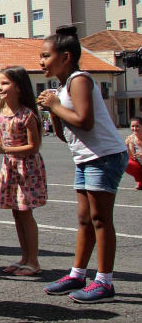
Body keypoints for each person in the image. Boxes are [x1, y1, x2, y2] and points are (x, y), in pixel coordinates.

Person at [39, 25, 129, 303]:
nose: (41, 61)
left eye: (45, 55)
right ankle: (77, 274)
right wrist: (52, 110)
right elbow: (65, 135)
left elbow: (85, 122)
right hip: (87, 158)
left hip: (104, 156)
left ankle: (104, 282)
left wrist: (55, 106)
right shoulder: (64, 87)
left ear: (65, 57)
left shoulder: (80, 80)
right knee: (84, 219)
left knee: (100, 220)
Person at [0, 66, 47, 276]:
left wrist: (3, 149)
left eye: (5, 83)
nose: (0, 87)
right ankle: (24, 257)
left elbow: (34, 147)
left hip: (27, 168)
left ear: (19, 87)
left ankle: (34, 261)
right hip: (10, 166)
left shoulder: (27, 115)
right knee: (16, 213)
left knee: (25, 213)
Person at [125, 116, 142, 190]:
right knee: (127, 163)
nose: (135, 129)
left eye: (137, 126)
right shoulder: (131, 138)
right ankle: (140, 181)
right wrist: (127, 146)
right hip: (140, 164)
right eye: (133, 126)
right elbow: (132, 158)